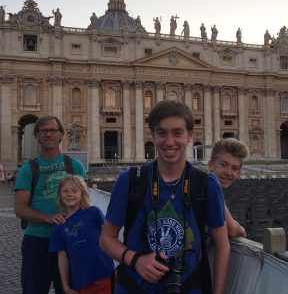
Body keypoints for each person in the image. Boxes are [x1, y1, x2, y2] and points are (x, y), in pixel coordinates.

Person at [100, 100, 229, 294]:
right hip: (134, 288)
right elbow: (106, 239)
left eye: (177, 133)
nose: (169, 142)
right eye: (162, 133)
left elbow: (222, 245)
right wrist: (136, 260)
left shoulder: (207, 185)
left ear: (190, 136)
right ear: (152, 135)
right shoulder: (129, 181)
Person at [15, 114, 87, 294]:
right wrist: (48, 218)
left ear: (61, 134)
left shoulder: (75, 166)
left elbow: (85, 203)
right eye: (43, 131)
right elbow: (20, 208)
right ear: (37, 135)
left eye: (53, 130)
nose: (48, 135)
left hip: (70, 239)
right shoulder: (28, 169)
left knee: (70, 290)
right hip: (38, 240)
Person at [50, 175, 114, 294]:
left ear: (82, 193)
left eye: (74, 191)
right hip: (81, 279)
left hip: (104, 274)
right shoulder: (58, 225)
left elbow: (109, 237)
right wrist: (65, 286)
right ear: (60, 195)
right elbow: (62, 257)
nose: (69, 194)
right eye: (65, 191)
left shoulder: (93, 212)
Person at [208, 138, 248, 237]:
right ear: (210, 165)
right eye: (223, 165)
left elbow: (229, 221)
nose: (229, 173)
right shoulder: (210, 187)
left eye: (234, 168)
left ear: (239, 173)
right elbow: (232, 229)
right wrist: (242, 230)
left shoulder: (210, 185)